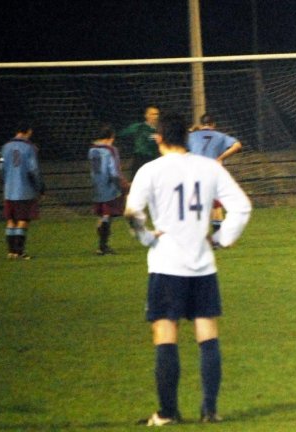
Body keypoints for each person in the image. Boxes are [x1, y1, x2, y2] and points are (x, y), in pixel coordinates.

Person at [125, 112, 251, 426]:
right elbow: (243, 206)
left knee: (165, 333)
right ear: (187, 137)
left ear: (159, 138)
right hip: (202, 264)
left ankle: (167, 413)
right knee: (207, 334)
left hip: (166, 264)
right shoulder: (209, 167)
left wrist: (145, 237)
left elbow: (131, 212)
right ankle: (209, 410)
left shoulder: (150, 170)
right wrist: (221, 239)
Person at [188, 113, 243, 232]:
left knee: (195, 205)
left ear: (201, 124)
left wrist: (191, 130)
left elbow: (178, 147)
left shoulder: (191, 136)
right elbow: (237, 146)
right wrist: (221, 158)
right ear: (213, 124)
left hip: (195, 173)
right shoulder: (220, 136)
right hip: (212, 173)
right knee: (215, 205)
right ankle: (217, 236)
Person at [0, 121, 45, 260]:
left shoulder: (5, 147)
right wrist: (40, 188)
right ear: (28, 132)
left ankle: (11, 252)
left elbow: (0, 168)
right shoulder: (29, 148)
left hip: (9, 190)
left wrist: (6, 182)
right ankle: (20, 251)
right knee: (23, 219)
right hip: (25, 190)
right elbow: (33, 170)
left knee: (10, 219)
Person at [88, 124, 129, 255]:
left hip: (97, 187)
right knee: (107, 215)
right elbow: (114, 171)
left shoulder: (92, 150)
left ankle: (102, 243)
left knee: (103, 216)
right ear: (110, 137)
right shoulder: (110, 150)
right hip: (109, 188)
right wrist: (123, 186)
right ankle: (102, 246)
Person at [117, 105, 160, 179]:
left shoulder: (160, 130)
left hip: (154, 160)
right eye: (152, 114)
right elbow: (121, 134)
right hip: (140, 160)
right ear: (146, 115)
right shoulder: (138, 127)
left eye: (157, 114)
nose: (155, 116)